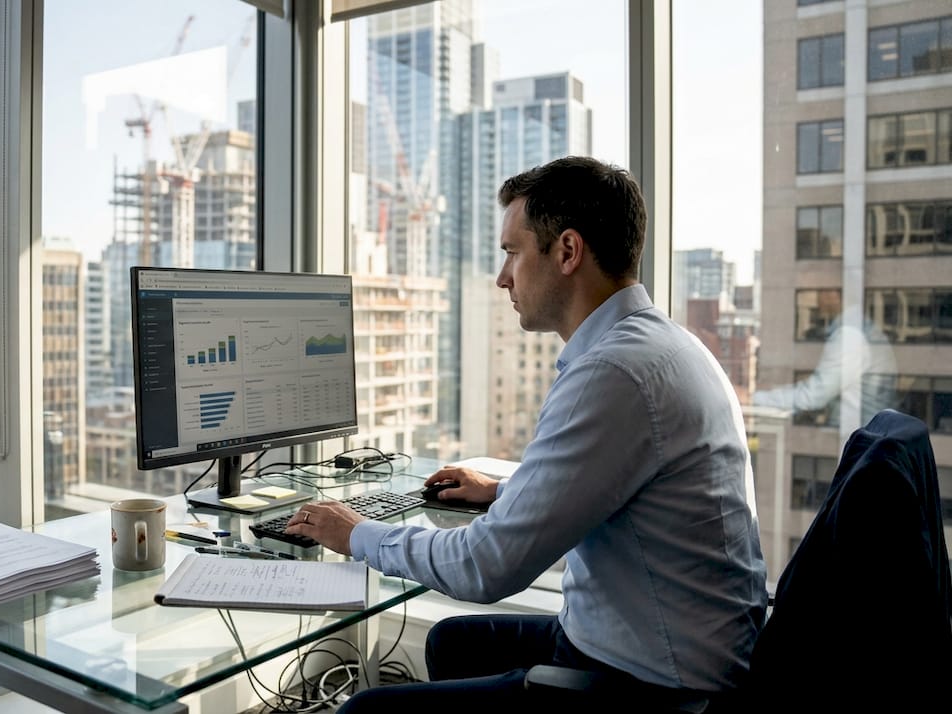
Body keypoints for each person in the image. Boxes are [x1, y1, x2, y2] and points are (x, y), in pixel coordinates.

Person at [285, 157, 767, 710]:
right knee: (448, 642)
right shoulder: (664, 346)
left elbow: (485, 567)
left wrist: (356, 534)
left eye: (512, 252)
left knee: (365, 710)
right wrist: (501, 491)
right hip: (675, 646)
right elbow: (607, 484)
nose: (502, 276)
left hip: (654, 685)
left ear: (567, 251)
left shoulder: (614, 375)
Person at [751, 287, 896, 430]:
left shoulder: (850, 336)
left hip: (852, 437)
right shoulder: (861, 328)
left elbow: (815, 396)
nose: (817, 299)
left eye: (821, 291)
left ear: (834, 294)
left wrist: (754, 398)